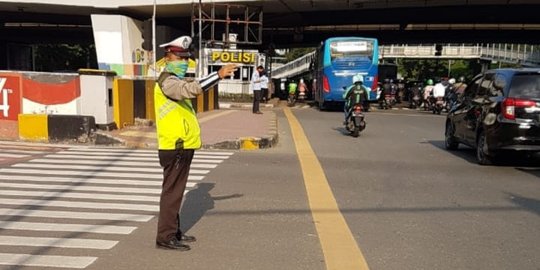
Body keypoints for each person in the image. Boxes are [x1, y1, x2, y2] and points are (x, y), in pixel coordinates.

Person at [153, 36, 237, 251]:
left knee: (176, 192)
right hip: (175, 146)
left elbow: (194, 85)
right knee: (172, 193)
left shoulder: (176, 79)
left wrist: (215, 77)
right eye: (179, 57)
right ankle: (165, 237)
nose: (184, 61)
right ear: (168, 57)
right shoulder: (167, 81)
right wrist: (218, 74)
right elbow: (188, 90)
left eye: (186, 57)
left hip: (181, 145)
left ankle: (174, 231)